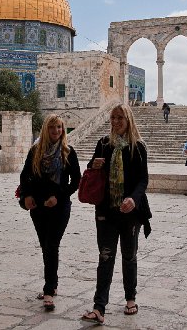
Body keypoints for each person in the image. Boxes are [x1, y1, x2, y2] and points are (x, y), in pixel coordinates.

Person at [81, 104, 151, 325]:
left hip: (130, 212)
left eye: (120, 117)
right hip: (106, 211)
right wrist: (94, 165)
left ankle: (130, 298)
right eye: (113, 117)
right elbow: (91, 170)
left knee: (129, 256)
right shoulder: (103, 144)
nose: (116, 121)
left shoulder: (138, 147)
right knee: (105, 256)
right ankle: (99, 307)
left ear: (128, 119)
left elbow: (143, 180)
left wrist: (133, 199)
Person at [19, 114, 82, 312]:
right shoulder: (35, 151)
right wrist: (27, 195)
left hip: (59, 207)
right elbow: (25, 175)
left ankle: (48, 290)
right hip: (38, 208)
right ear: (46, 129)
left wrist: (59, 196)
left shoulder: (67, 152)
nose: (56, 131)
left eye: (60, 128)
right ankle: (52, 284)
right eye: (53, 128)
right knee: (46, 246)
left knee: (51, 245)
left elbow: (76, 181)